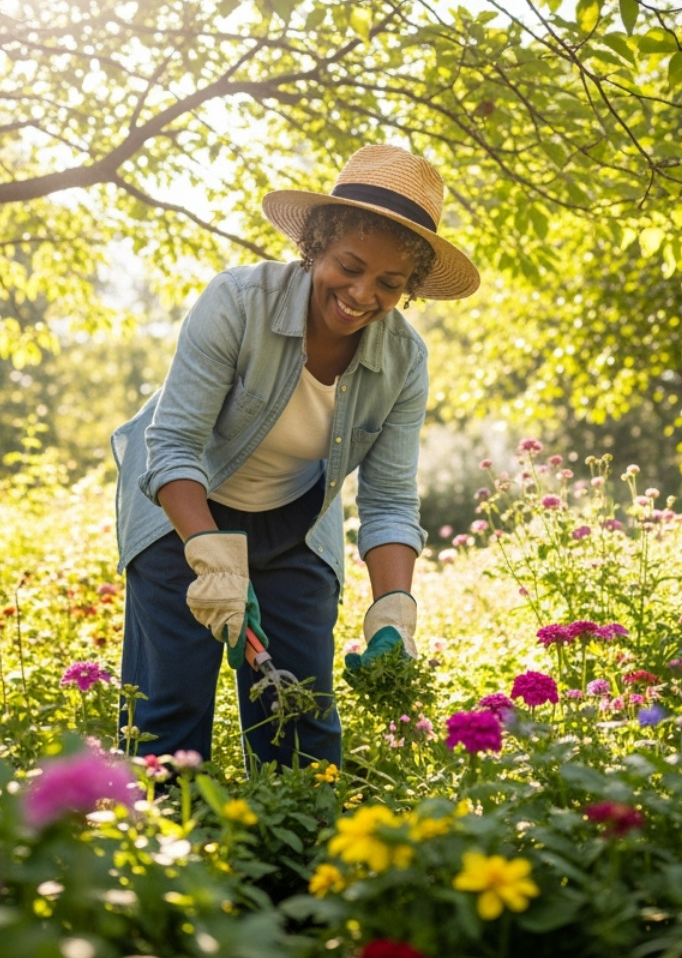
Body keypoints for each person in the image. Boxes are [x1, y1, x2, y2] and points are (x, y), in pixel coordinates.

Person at [110, 144, 480, 769]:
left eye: (389, 284)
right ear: (316, 246)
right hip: (182, 513)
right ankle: (160, 832)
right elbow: (172, 446)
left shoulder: (404, 361)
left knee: (300, 728)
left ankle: (295, 837)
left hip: (295, 526)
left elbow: (389, 500)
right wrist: (212, 557)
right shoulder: (237, 303)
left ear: (410, 287)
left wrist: (394, 612)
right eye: (350, 266)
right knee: (168, 720)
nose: (361, 294)